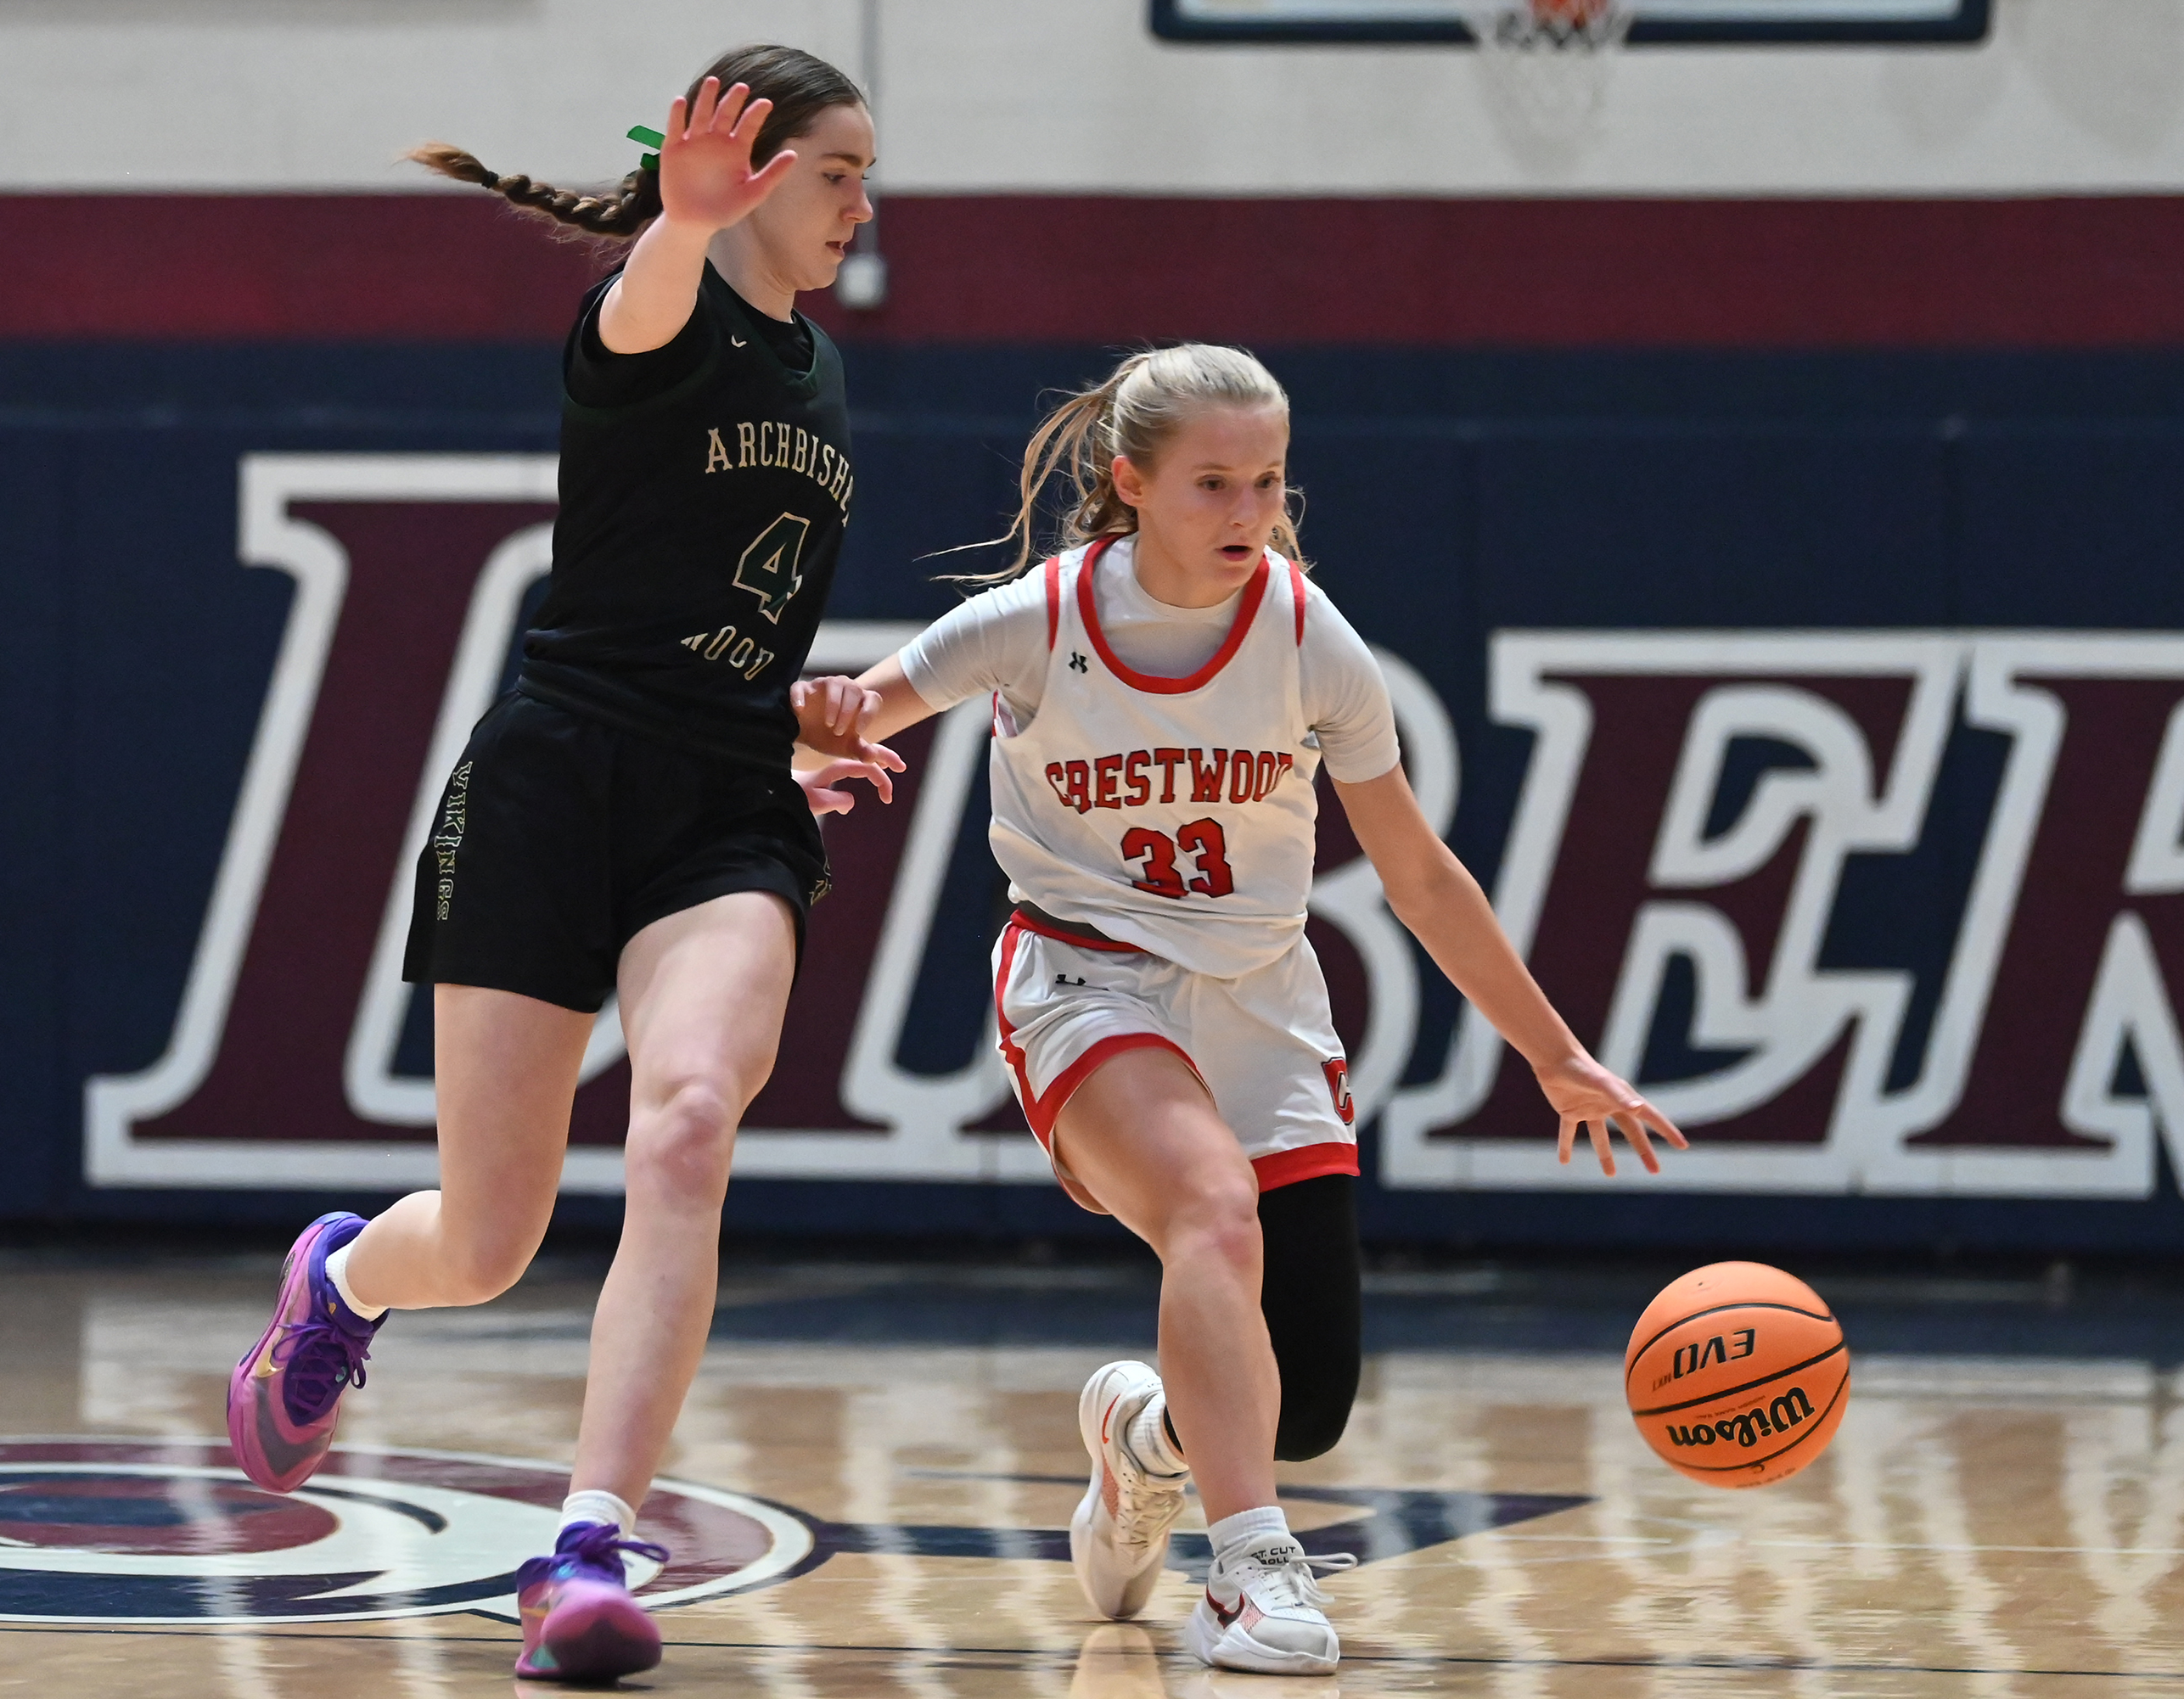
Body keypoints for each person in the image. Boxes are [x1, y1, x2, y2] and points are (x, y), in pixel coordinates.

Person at [826, 345, 1688, 1676]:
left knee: (1310, 1395)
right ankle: (1249, 1576)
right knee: (1211, 1208)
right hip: (1086, 979)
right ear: (1131, 483)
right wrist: (818, 727)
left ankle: (1144, 1439)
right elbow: (846, 714)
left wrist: (1559, 1054)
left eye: (1269, 482)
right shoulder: (1037, 619)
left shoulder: (1306, 635)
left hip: (1262, 999)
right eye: (1213, 482)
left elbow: (1419, 872)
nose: (1248, 511)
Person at [222, 45, 899, 1685]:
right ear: (743, 168)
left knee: (682, 1127)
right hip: (550, 784)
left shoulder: (817, 376)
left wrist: (790, 728)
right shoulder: (652, 312)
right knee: (489, 1238)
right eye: (836, 174)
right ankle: (340, 1278)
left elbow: (733, 616)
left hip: (725, 808)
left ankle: (588, 1542)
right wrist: (682, 219)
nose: (861, 209)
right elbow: (644, 304)